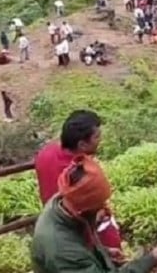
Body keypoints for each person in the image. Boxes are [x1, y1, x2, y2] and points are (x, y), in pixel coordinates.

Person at [30, 155, 157, 273]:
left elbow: (81, 242)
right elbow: (75, 254)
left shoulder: (64, 200)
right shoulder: (63, 251)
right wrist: (150, 259)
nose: (106, 210)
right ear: (83, 211)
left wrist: (102, 253)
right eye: (100, 206)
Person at [34, 110, 124, 257]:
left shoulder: (46, 152)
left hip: (54, 225)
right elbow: (91, 214)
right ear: (82, 144)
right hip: (81, 234)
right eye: (97, 137)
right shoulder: (79, 173)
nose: (100, 140)